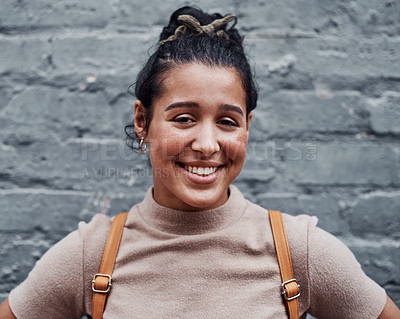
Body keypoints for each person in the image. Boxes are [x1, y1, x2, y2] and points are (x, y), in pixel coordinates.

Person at [0, 5, 399, 319]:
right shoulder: (93, 254)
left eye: (227, 121)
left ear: (247, 127)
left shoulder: (299, 251)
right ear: (143, 121)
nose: (208, 144)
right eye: (184, 118)